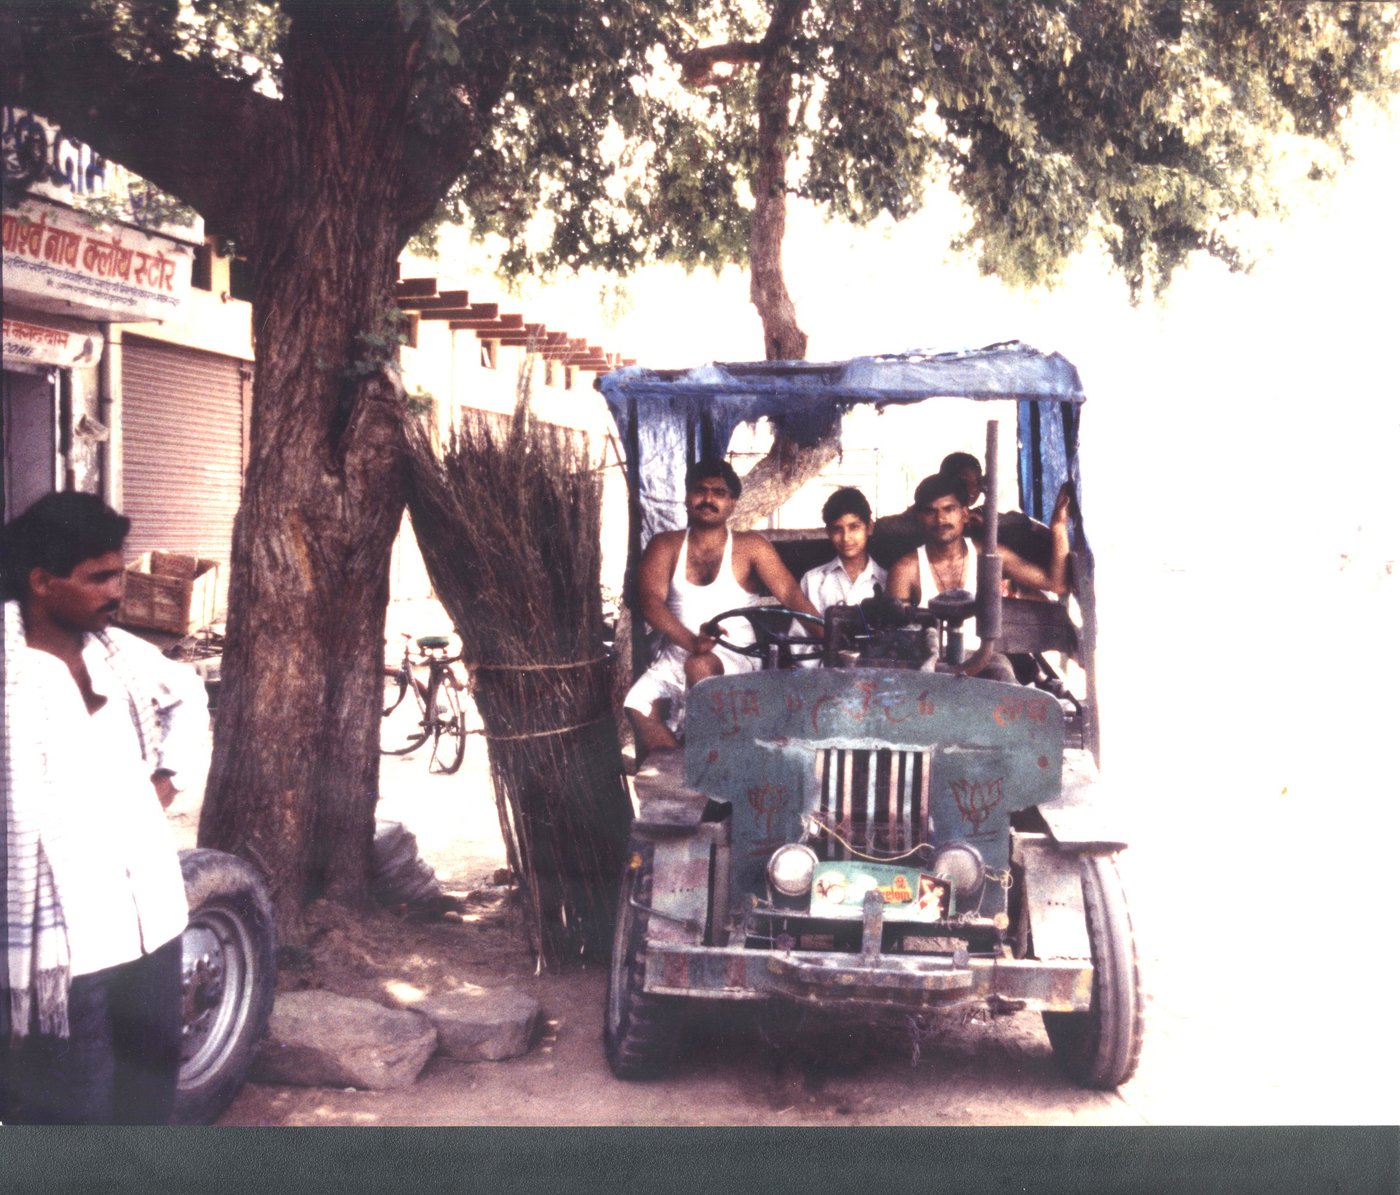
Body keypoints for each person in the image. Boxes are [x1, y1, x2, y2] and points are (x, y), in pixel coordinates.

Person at [0, 492, 209, 1125]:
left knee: (147, 1104)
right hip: (67, 952)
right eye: (99, 578)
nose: (118, 591)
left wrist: (170, 777)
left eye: (118, 573)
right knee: (72, 1119)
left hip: (153, 922)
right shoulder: (12, 674)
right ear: (43, 580)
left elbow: (190, 696)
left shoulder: (113, 653)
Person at [624, 458, 819, 756]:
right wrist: (692, 641)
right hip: (678, 653)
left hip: (735, 658)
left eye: (719, 492)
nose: (708, 499)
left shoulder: (752, 546)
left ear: (733, 503)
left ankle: (709, 766)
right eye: (700, 490)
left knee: (700, 666)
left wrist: (829, 636)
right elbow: (649, 602)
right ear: (687, 498)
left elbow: (791, 595)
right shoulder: (665, 544)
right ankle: (685, 771)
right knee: (637, 704)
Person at [885, 472, 1071, 679]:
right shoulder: (906, 569)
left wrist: (1058, 527)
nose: (941, 519)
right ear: (920, 518)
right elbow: (895, 638)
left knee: (1003, 674)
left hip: (983, 660)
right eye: (931, 512)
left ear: (965, 514)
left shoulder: (989, 556)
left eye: (949, 509)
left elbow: (1056, 584)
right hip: (926, 665)